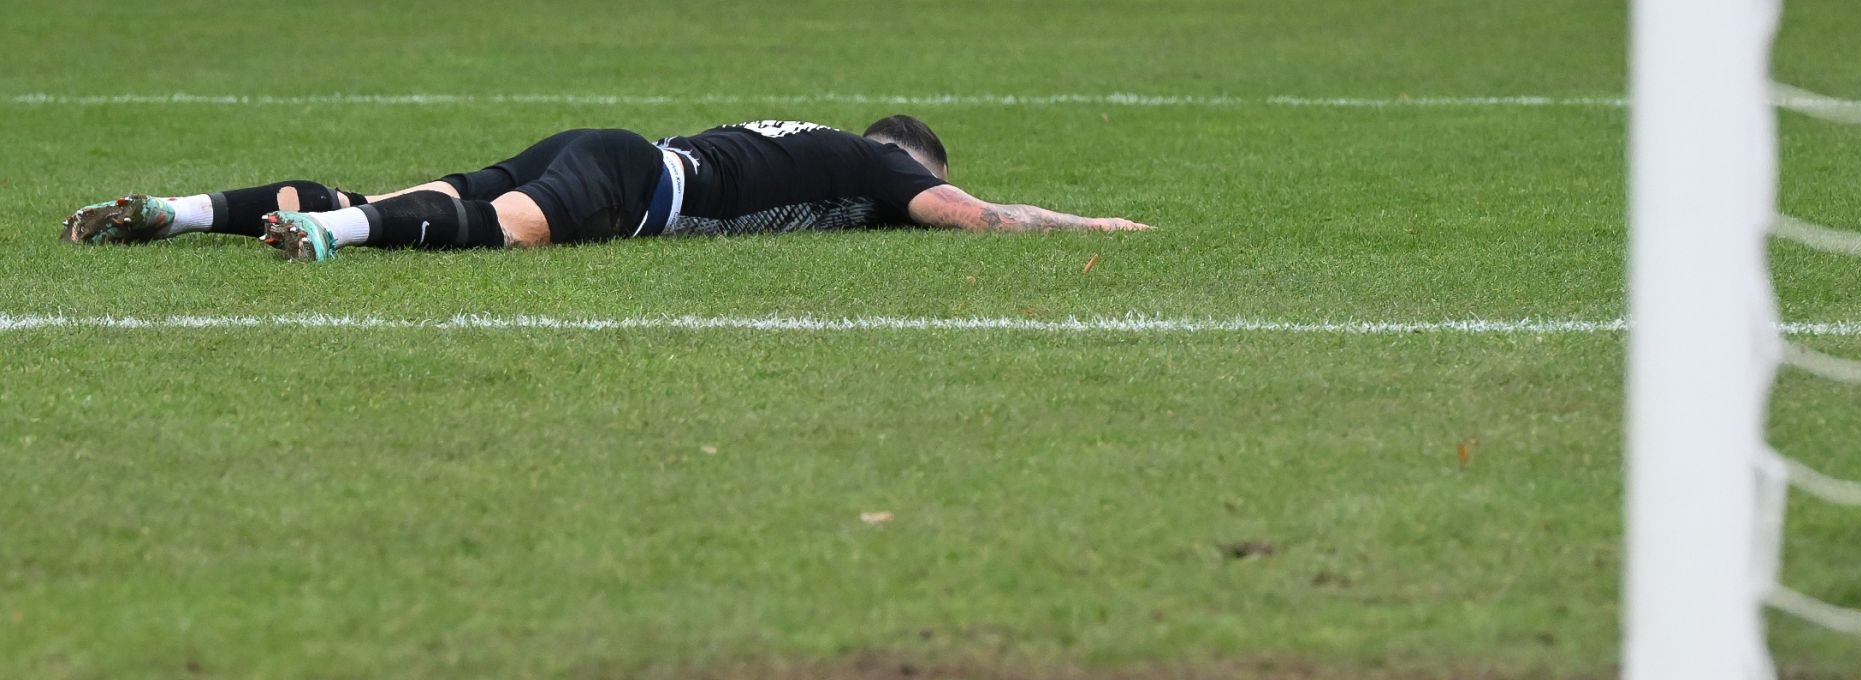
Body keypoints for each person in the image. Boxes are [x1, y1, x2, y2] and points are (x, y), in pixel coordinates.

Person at [61, 115, 1148, 261]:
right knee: (506, 232)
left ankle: (179, 211)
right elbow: (980, 216)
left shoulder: (822, 144)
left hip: (603, 144)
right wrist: (1088, 221)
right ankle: (334, 241)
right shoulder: (882, 166)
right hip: (636, 179)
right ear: (911, 155)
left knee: (384, 188)